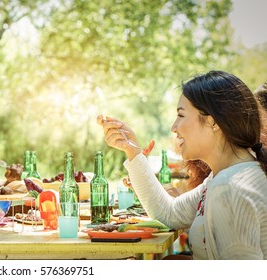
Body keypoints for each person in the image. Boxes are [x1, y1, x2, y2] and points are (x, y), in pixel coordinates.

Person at [99, 70, 267, 259]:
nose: (173, 127)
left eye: (181, 115)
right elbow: (169, 213)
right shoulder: (225, 176)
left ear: (213, 122)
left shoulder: (230, 188)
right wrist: (132, 150)